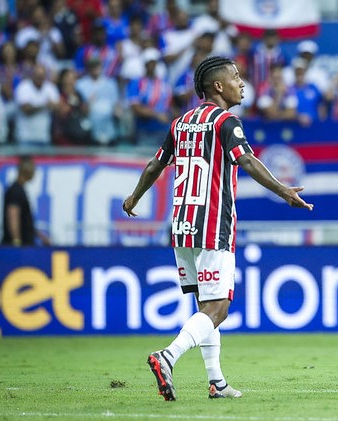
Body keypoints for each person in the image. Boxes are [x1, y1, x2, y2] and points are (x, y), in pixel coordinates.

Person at [122, 56, 313, 401]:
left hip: (181, 223)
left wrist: (134, 197)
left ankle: (217, 382)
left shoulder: (180, 123)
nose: (242, 83)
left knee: (205, 306)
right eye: (236, 77)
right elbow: (248, 160)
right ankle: (167, 356)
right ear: (218, 86)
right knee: (218, 308)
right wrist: (284, 191)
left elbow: (156, 164)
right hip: (213, 223)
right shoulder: (227, 122)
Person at [1, 155, 50, 246]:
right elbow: (13, 216)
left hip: (26, 245)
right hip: (20, 247)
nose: (34, 172)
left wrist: (40, 236)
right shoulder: (15, 191)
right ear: (26, 170)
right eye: (33, 168)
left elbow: (25, 222)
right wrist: (16, 241)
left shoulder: (19, 190)